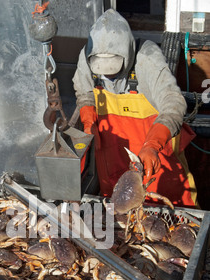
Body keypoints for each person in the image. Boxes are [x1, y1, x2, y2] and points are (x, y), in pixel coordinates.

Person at [73, 9, 198, 207]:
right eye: (102, 73)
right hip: (112, 160)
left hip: (156, 160)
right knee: (118, 214)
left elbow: (173, 103)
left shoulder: (147, 58)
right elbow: (85, 93)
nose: (107, 78)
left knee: (175, 212)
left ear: (128, 55)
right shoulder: (86, 56)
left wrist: (152, 145)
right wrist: (88, 122)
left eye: (114, 72)